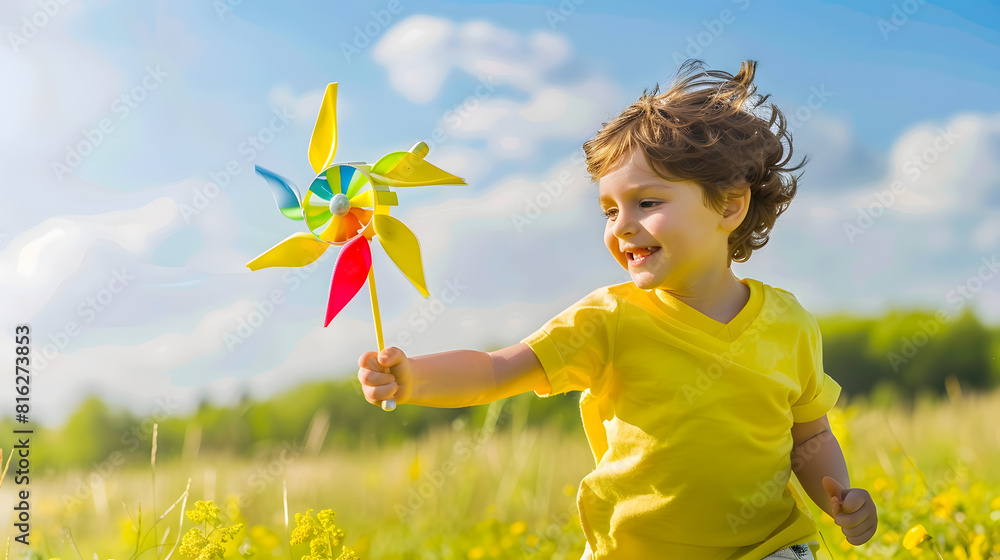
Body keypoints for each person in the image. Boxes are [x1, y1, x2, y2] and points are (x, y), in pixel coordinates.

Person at [357, 59, 877, 560]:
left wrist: (841, 499)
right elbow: (496, 371)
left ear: (729, 205)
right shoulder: (606, 319)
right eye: (610, 209)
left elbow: (809, 432)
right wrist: (413, 378)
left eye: (647, 203)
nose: (622, 225)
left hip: (767, 548)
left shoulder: (788, 322)